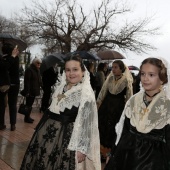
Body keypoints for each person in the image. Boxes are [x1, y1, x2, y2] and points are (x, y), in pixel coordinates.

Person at [20, 54, 101, 170]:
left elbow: (88, 122)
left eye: (75, 69)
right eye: (68, 70)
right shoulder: (62, 86)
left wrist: (82, 148)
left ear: (83, 71)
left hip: (67, 138)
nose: (71, 73)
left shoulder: (86, 93)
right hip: (49, 134)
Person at [105, 57, 170, 170]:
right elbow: (123, 130)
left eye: (151, 75)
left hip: (153, 160)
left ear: (162, 78)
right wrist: (113, 152)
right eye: (143, 74)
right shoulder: (133, 100)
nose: (145, 78)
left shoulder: (167, 104)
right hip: (127, 154)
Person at [96, 60, 133, 161]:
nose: (113, 69)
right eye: (112, 67)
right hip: (107, 105)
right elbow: (103, 91)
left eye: (116, 67)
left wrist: (128, 111)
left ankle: (108, 153)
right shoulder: (110, 78)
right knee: (102, 127)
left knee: (112, 129)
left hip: (118, 107)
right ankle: (99, 152)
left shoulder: (126, 80)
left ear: (121, 69)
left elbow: (129, 97)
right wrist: (98, 104)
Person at [0, 43, 19, 131]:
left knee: (2, 104)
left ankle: (1, 123)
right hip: (14, 83)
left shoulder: (3, 58)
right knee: (12, 104)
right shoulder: (15, 58)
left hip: (4, 84)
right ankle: (13, 124)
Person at [21, 57, 42, 123]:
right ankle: (26, 118)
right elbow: (27, 81)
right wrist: (27, 91)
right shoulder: (29, 70)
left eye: (40, 63)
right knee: (28, 104)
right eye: (38, 63)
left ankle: (28, 116)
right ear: (34, 63)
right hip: (30, 90)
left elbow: (39, 80)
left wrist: (42, 86)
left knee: (30, 104)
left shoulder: (37, 70)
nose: (39, 65)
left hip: (35, 90)